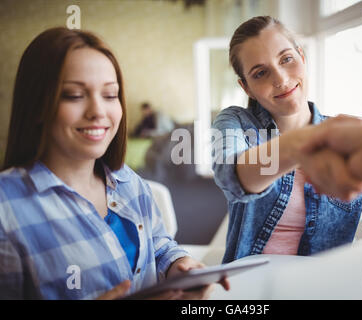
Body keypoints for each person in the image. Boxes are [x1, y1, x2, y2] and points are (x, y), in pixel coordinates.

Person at [0, 27, 228, 299]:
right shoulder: (6, 210)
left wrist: (178, 266)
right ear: (37, 106)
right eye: (74, 95)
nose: (98, 111)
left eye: (110, 95)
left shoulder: (128, 181)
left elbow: (159, 246)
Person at [212, 16, 362, 263]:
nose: (281, 79)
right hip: (251, 289)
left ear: (302, 58)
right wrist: (307, 141)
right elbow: (230, 176)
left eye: (286, 59)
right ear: (247, 88)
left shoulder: (350, 138)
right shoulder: (235, 122)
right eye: (261, 73)